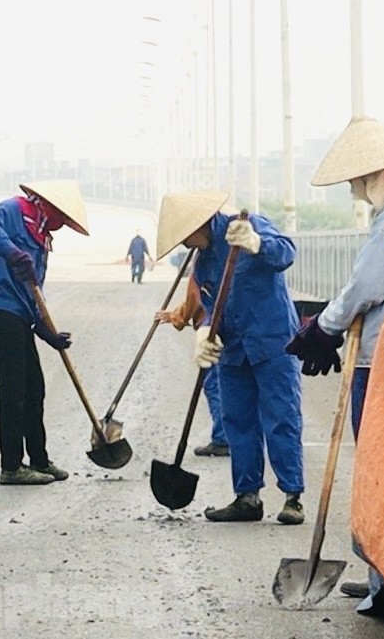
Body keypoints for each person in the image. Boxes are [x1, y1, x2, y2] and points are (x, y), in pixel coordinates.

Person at [285, 117, 384, 611]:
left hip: (383, 358)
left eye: (359, 183)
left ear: (381, 174)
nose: (357, 193)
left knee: (381, 469)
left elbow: (365, 288)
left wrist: (323, 328)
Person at [156, 190, 305, 524]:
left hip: (272, 340)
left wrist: (256, 244)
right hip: (233, 348)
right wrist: (204, 332)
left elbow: (286, 253)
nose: (185, 245)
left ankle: (293, 496)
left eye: (186, 236)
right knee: (238, 420)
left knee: (281, 417)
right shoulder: (203, 258)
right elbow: (210, 307)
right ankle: (247, 497)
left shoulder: (247, 225)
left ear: (201, 223)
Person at [0, 180, 89, 486]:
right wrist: (11, 252)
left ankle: (39, 459)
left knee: (34, 388)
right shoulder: (14, 210)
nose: (60, 225)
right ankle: (11, 466)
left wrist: (46, 331)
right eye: (60, 218)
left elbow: (34, 293)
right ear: (48, 206)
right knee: (13, 389)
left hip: (21, 316)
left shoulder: (42, 241)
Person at [154, 264, 229, 457]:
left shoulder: (206, 262)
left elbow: (195, 299)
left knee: (214, 384)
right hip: (230, 327)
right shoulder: (225, 253)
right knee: (230, 384)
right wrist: (175, 314)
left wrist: (177, 316)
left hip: (213, 330)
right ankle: (233, 437)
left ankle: (223, 438)